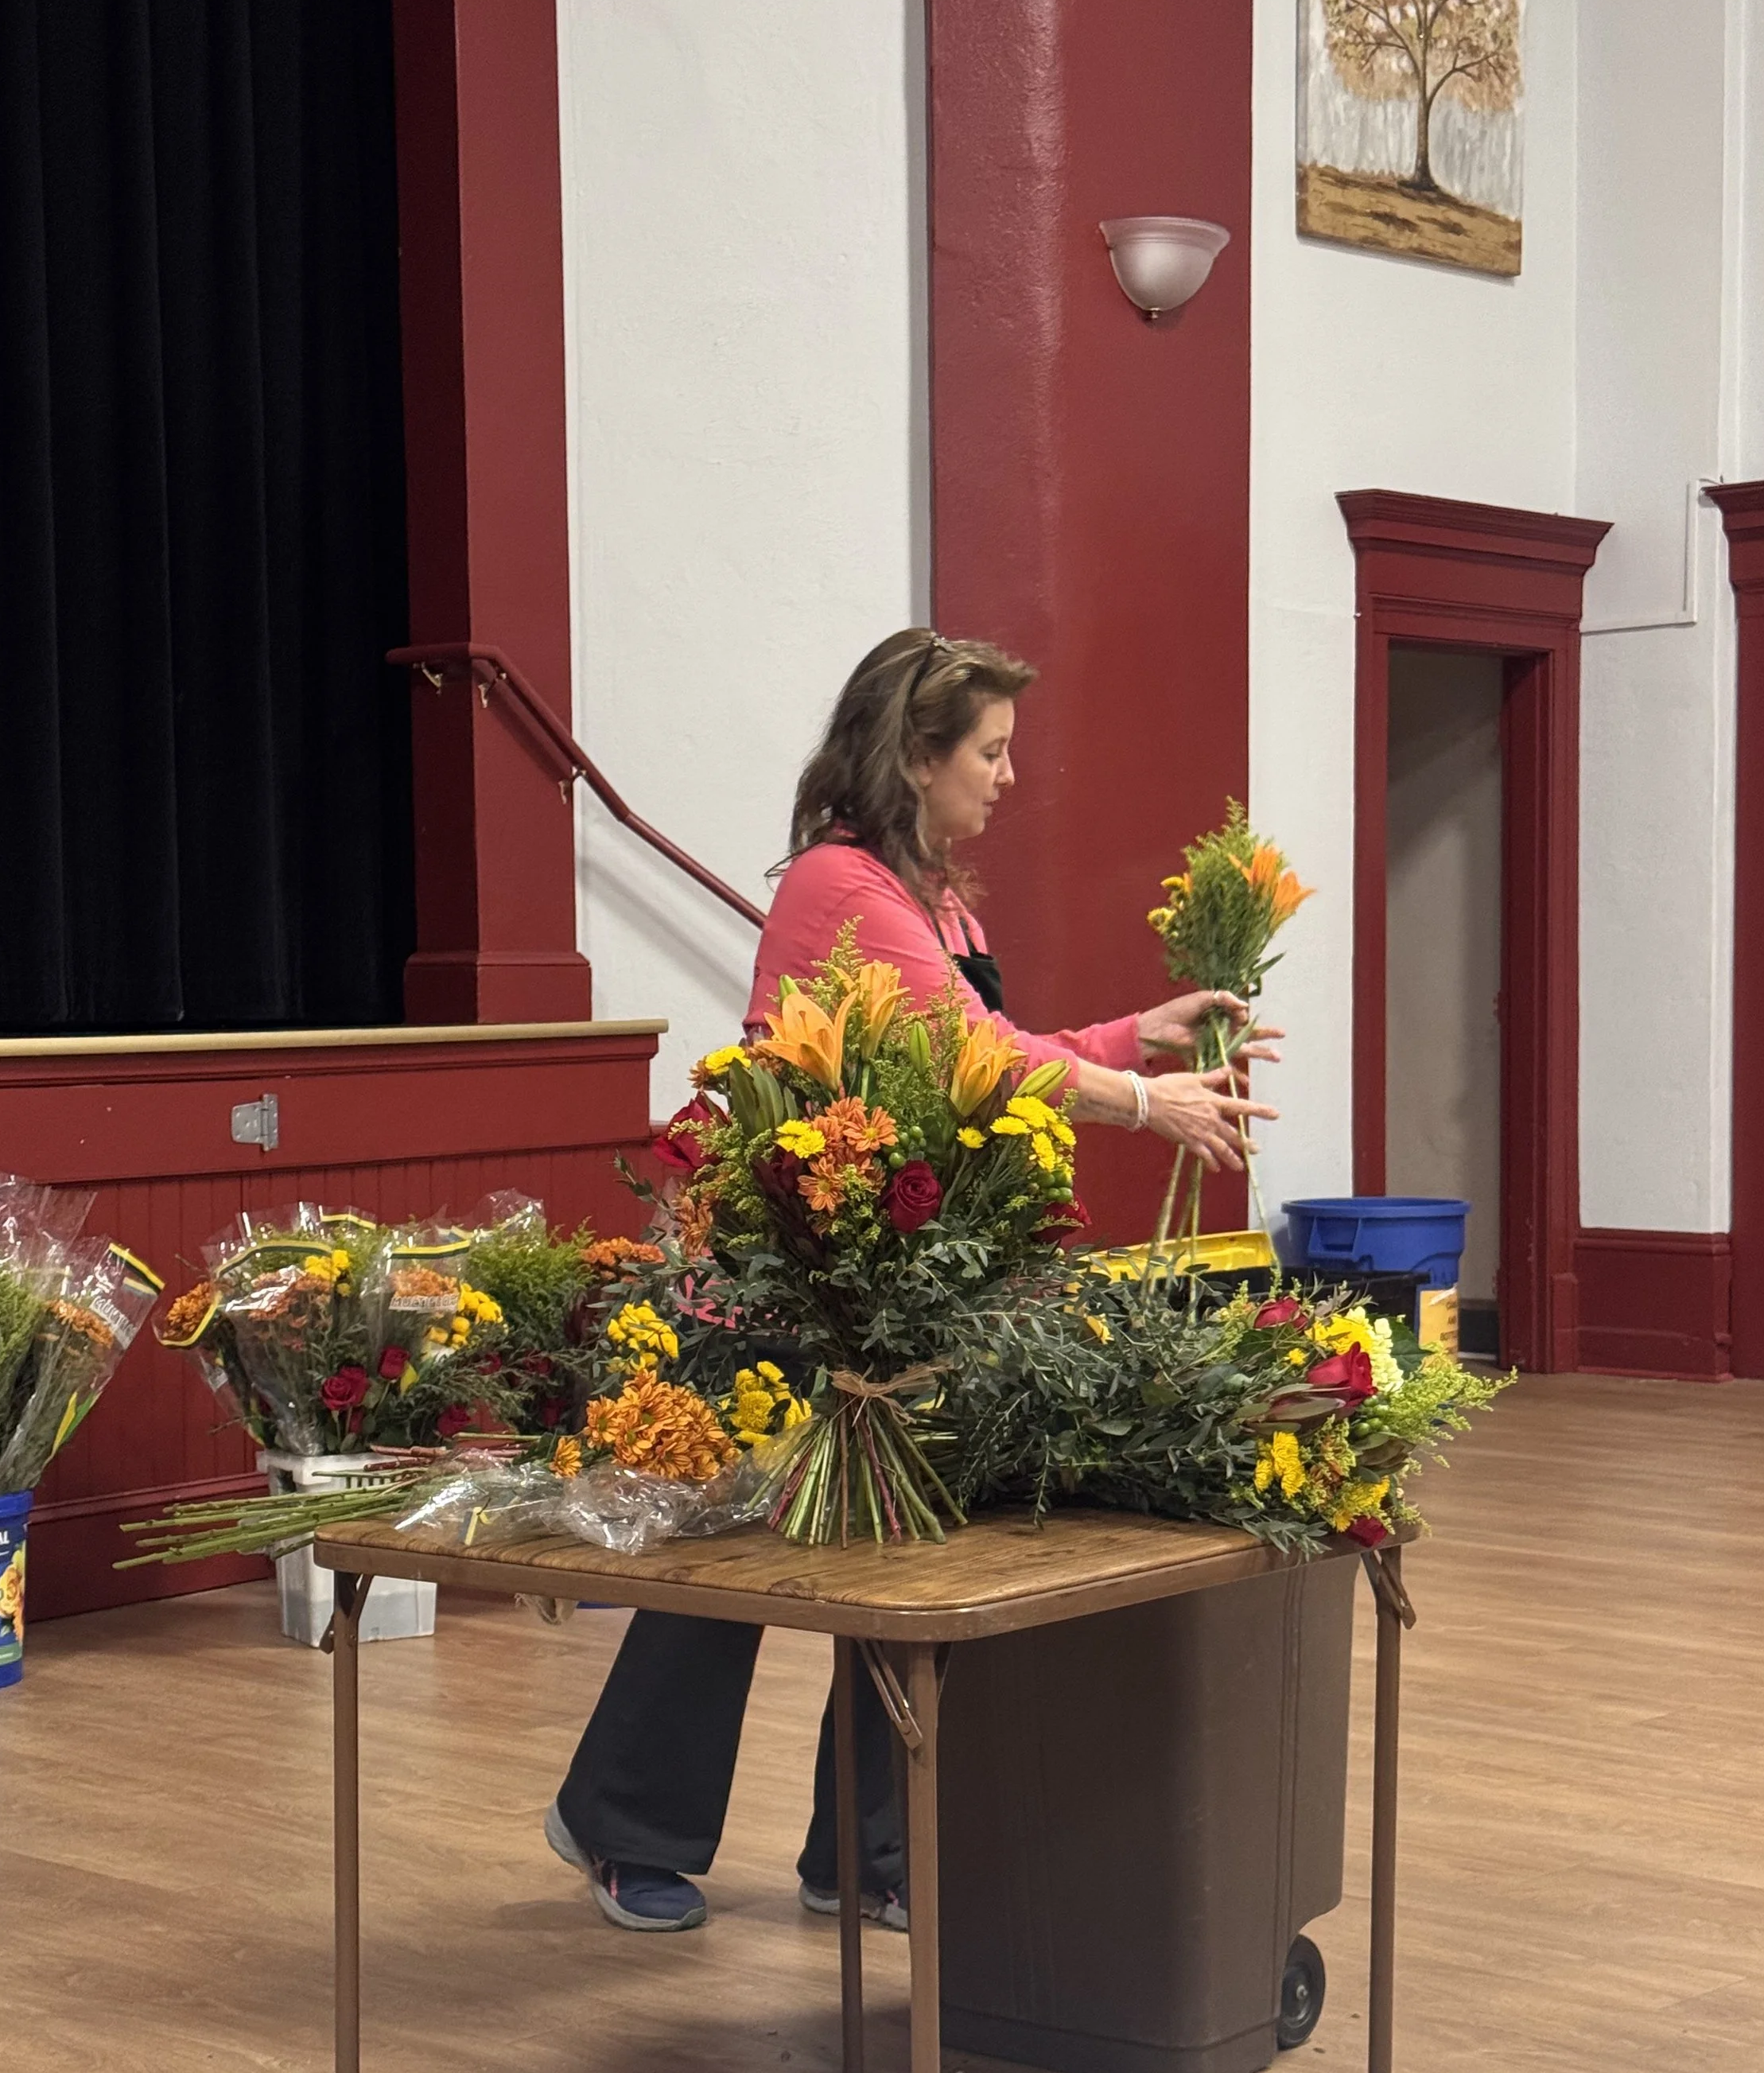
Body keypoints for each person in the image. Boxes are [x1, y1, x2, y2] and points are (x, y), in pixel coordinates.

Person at [546, 628, 1276, 1931]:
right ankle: (621, 1822)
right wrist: (1140, 1100)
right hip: (793, 1271)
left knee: (899, 1542)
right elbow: (967, 1056)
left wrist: (1127, 1036)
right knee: (741, 1549)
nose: (1007, 778)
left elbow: (987, 1045)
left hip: (888, 1271)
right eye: (988, 753)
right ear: (916, 755)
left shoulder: (933, 898)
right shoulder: (840, 888)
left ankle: (864, 1855)